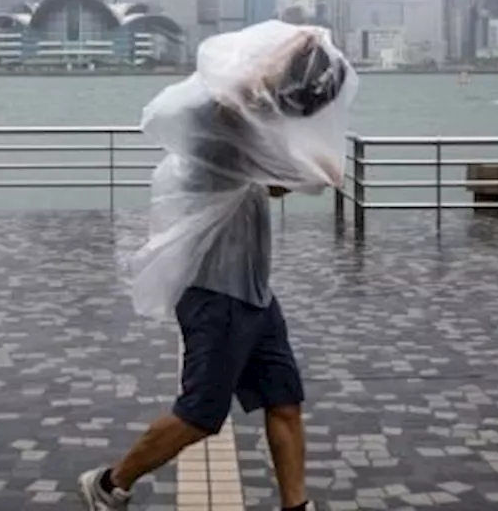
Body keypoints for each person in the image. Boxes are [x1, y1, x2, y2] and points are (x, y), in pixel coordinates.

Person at [78, 31, 346, 511]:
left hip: (255, 292)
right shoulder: (216, 119)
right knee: (200, 415)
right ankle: (109, 483)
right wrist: (287, 57)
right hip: (214, 292)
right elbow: (292, 169)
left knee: (284, 402)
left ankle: (296, 506)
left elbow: (292, 178)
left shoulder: (253, 123)